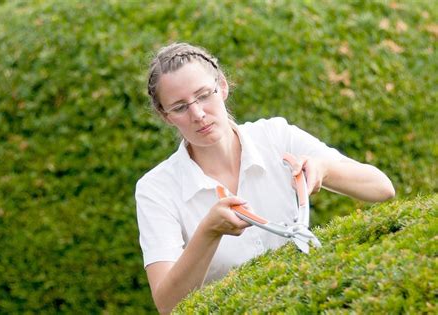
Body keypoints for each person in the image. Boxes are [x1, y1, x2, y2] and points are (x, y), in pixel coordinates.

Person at [135, 42, 395, 314]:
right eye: (179, 107)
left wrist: (325, 170)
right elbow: (167, 305)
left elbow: (381, 188)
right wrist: (208, 232)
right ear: (166, 117)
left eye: (203, 95)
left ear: (222, 86)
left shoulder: (276, 136)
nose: (198, 114)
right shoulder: (156, 189)